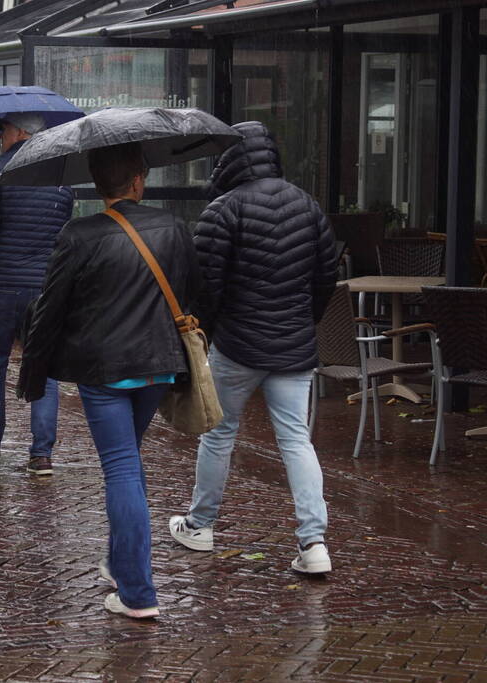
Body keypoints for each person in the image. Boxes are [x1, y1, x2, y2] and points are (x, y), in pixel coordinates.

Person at [18, 142, 201, 618]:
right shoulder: (175, 228)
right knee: (129, 464)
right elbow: (193, 295)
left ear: (99, 186)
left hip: (103, 372)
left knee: (121, 467)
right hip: (159, 365)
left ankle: (138, 592)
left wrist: (33, 375)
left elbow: (50, 309)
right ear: (138, 180)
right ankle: (122, 563)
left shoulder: (79, 235)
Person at [168, 121, 338, 575]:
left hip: (238, 346)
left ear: (232, 160)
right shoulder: (309, 206)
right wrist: (305, 322)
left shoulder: (225, 209)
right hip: (294, 346)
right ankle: (314, 543)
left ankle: (200, 526)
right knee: (296, 441)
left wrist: (211, 332)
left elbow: (207, 286)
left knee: (218, 433)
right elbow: (326, 279)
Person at [0, 111, 74, 475]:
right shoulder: (60, 176)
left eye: (2, 130)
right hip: (43, 287)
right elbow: (63, 236)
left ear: (18, 132)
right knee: (43, 367)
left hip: (1, 284)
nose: (0, 137)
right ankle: (41, 454)